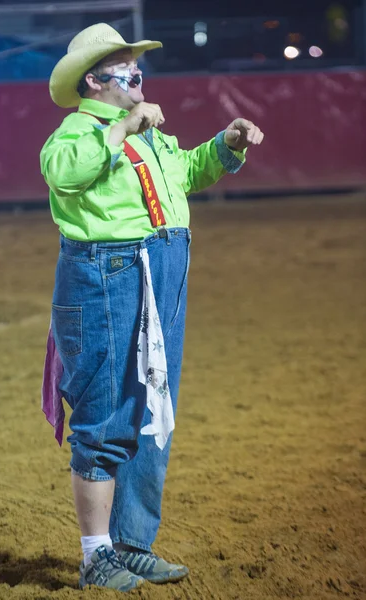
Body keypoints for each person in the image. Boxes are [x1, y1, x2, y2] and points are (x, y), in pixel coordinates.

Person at [40, 23, 264, 593]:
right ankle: (97, 555)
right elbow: (62, 173)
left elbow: (183, 174)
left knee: (149, 409)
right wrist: (120, 129)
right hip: (107, 278)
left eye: (141, 74)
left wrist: (225, 147)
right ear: (96, 81)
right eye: (130, 74)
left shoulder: (143, 132)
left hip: (157, 272)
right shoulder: (78, 131)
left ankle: (131, 544)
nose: (141, 83)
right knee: (106, 414)